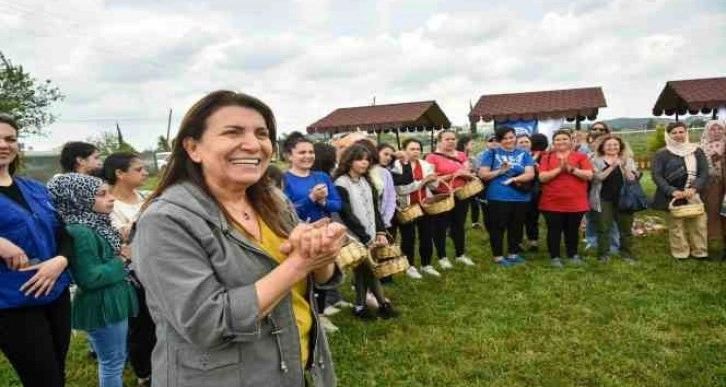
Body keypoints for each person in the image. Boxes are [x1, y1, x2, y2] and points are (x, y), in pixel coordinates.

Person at [133, 90, 345, 387]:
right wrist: (298, 264)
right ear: (193, 148)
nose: (252, 144)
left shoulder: (272, 200)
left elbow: (320, 279)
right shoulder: (165, 221)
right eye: (233, 132)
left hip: (301, 368)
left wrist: (319, 250)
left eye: (262, 133)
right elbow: (206, 323)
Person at [0, 114, 72, 387]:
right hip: (14, 302)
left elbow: (64, 232)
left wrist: (60, 261)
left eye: (10, 139)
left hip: (55, 292)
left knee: (58, 372)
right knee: (43, 380)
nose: (4, 144)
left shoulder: (35, 189)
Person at [47, 173, 138, 387]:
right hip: (102, 304)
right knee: (112, 362)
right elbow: (90, 277)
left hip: (111, 299)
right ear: (77, 198)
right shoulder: (80, 231)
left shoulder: (94, 224)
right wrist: (123, 257)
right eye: (101, 194)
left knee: (116, 358)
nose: (111, 198)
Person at [281, 132, 343, 333]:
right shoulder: (285, 180)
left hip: (324, 234)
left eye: (311, 152)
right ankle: (304, 314)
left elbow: (338, 204)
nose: (308, 156)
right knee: (303, 276)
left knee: (323, 272)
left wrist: (324, 201)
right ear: (290, 156)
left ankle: (322, 314)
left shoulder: (322, 176)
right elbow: (285, 211)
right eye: (302, 152)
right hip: (299, 237)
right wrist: (310, 199)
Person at [102, 152, 155, 386]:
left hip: (157, 267)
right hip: (132, 275)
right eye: (138, 169)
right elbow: (117, 241)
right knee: (141, 325)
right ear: (120, 174)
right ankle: (144, 372)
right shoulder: (108, 204)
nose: (145, 173)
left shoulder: (146, 197)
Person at [334, 144, 398, 319]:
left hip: (370, 233)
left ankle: (360, 306)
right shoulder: (341, 184)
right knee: (369, 269)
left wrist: (380, 231)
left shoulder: (366, 181)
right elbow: (347, 215)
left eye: (367, 160)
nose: (364, 163)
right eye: (359, 159)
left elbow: (374, 209)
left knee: (363, 272)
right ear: (349, 160)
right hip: (354, 236)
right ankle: (382, 304)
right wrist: (364, 237)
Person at [651, 121, 709, 260]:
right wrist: (671, 190)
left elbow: (704, 172)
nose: (678, 135)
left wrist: (694, 188)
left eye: (681, 132)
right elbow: (656, 175)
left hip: (693, 193)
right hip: (673, 195)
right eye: (674, 133)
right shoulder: (662, 154)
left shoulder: (697, 151)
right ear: (669, 135)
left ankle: (700, 252)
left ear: (686, 132)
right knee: (676, 226)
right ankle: (680, 253)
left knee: (698, 224)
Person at [478, 127, 535, 266]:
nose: (509, 140)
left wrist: (514, 179)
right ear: (499, 140)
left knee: (516, 227)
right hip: (498, 196)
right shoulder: (491, 153)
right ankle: (498, 257)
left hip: (521, 196)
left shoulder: (524, 154)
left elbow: (530, 174)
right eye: (505, 138)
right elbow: (483, 174)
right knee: (498, 227)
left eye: (511, 137)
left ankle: (513, 254)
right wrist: (500, 171)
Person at [538, 130, 593, 268]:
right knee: (554, 229)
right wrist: (559, 170)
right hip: (552, 201)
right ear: (553, 142)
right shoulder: (547, 158)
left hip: (576, 201)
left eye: (564, 139)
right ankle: (554, 256)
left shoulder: (581, 157)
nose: (561, 142)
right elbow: (542, 177)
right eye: (557, 139)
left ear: (571, 141)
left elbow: (589, 175)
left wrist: (570, 169)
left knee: (572, 230)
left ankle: (572, 254)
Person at [425, 130, 476, 268]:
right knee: (440, 227)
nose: (451, 141)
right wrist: (450, 176)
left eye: (453, 139)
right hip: (442, 196)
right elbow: (430, 180)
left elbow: (468, 173)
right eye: (447, 139)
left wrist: (464, 174)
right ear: (440, 141)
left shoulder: (461, 155)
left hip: (460, 194)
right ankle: (442, 257)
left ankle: (460, 254)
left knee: (459, 225)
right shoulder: (432, 157)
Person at [588, 135, 640, 264]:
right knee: (603, 228)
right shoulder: (596, 160)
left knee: (626, 228)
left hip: (624, 199)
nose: (612, 147)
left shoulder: (627, 160)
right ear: (603, 147)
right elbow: (598, 178)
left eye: (615, 145)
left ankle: (626, 253)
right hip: (603, 198)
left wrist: (624, 166)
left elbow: (632, 179)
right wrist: (612, 166)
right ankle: (603, 254)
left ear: (620, 146)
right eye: (609, 145)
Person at [392, 138, 439, 279]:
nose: (415, 152)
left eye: (418, 149)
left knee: (427, 235)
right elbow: (400, 189)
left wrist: (433, 181)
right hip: (407, 207)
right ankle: (410, 266)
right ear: (404, 150)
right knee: (408, 237)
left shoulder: (426, 165)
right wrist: (422, 182)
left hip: (425, 204)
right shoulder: (396, 166)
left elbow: (434, 186)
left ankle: (426, 264)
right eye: (412, 149)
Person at [581, 122, 619, 253]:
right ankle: (592, 241)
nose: (598, 131)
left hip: (606, 191)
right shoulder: (584, 151)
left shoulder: (614, 149)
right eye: (595, 129)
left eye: (602, 129)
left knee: (610, 219)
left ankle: (613, 244)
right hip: (587, 190)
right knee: (591, 217)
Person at [699, 120, 726, 255]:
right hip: (711, 184)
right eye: (712, 129)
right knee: (713, 210)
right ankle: (713, 237)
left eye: (720, 129)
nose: (716, 132)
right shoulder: (702, 147)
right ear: (707, 131)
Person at [521, 133, 549, 252]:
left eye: (527, 141)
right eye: (521, 142)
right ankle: (533, 242)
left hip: (533, 189)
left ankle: (529, 241)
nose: (525, 144)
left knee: (528, 216)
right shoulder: (545, 155)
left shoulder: (543, 156)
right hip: (535, 189)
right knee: (531, 217)